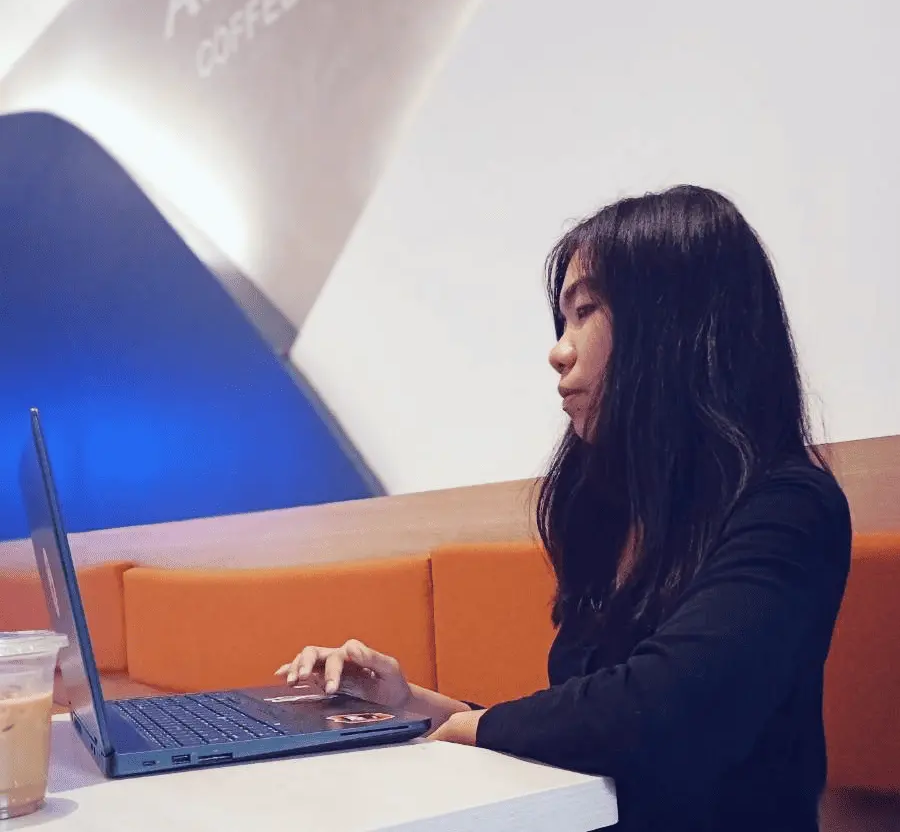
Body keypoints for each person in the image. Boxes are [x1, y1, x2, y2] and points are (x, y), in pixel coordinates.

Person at [276, 186, 851, 831]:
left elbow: (664, 708)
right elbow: (586, 724)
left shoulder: (789, 507)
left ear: (672, 323)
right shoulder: (616, 515)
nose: (558, 350)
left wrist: (476, 726)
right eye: (562, 321)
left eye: (584, 312)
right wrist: (407, 702)